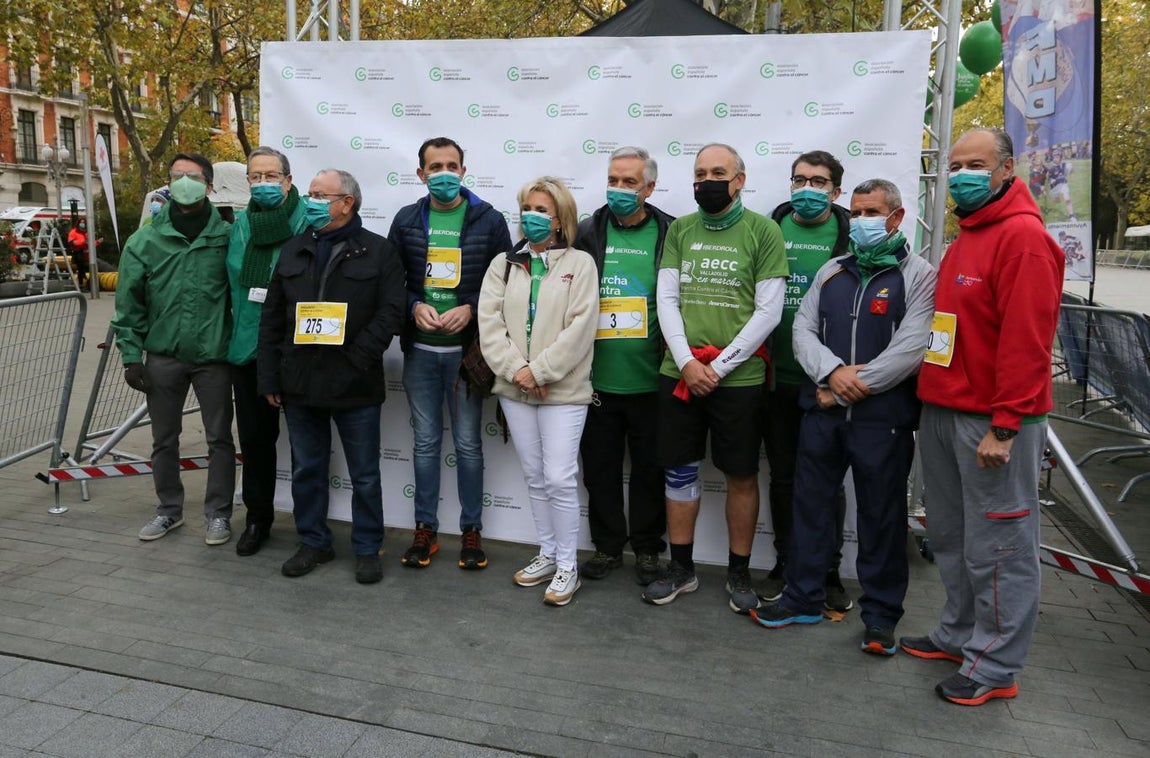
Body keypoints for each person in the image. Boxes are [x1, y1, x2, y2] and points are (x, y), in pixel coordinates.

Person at [903, 128, 1063, 706]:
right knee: (951, 533)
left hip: (992, 423)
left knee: (1000, 544)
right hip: (944, 409)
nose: (963, 174)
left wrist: (1006, 425)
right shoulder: (967, 235)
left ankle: (995, 666)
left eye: (976, 164)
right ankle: (959, 633)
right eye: (955, 165)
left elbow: (1028, 342)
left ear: (1005, 169)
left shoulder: (1023, 239)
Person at [751, 179, 937, 657]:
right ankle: (802, 597)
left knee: (881, 519)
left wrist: (854, 388)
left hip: (884, 419)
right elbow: (803, 331)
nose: (861, 221)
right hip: (823, 414)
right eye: (855, 212)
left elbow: (912, 346)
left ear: (896, 218)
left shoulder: (919, 275)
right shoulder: (832, 270)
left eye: (872, 211)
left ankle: (880, 618)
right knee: (810, 508)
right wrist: (832, 375)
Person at [643, 143, 789, 613]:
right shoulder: (681, 229)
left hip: (739, 380)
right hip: (680, 374)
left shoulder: (763, 231)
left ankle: (739, 572)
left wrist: (719, 367)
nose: (707, 180)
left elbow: (769, 312)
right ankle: (682, 569)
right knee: (680, 471)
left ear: (740, 179)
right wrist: (687, 362)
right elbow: (666, 300)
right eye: (700, 172)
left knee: (742, 475)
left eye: (718, 172)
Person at [257, 169, 405, 584]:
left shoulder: (378, 251)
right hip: (300, 382)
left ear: (347, 203)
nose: (312, 201)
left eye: (322, 195)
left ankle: (367, 546)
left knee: (365, 473)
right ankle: (314, 542)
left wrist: (357, 356)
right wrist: (270, 378)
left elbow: (391, 311)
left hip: (355, 383)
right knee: (306, 468)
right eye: (310, 194)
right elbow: (272, 319)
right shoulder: (294, 249)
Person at [388, 137, 511, 571]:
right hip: (420, 353)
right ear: (421, 174)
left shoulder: (488, 219)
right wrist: (413, 306)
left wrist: (471, 308)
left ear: (464, 170)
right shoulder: (405, 221)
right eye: (434, 166)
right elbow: (393, 283)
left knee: (467, 444)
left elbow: (506, 286)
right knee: (424, 444)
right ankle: (425, 529)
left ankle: (471, 531)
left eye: (451, 165)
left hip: (466, 357)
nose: (444, 173)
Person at [477, 177, 598, 606]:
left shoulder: (580, 264)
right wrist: (518, 371)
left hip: (562, 390)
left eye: (542, 209)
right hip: (515, 388)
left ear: (561, 218)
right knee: (534, 476)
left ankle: (569, 565)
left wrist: (540, 372)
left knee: (559, 478)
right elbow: (489, 325)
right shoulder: (503, 264)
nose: (532, 215)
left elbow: (580, 328)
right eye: (527, 207)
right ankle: (547, 553)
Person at [112, 153, 236, 546]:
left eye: (193, 176)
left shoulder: (228, 237)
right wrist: (131, 356)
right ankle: (168, 510)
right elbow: (128, 304)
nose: (184, 181)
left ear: (210, 186)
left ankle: (218, 515)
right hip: (163, 358)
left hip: (214, 358)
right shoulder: (145, 240)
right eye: (177, 175)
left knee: (220, 439)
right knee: (164, 439)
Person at [573, 146, 674, 586]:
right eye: (613, 180)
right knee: (600, 471)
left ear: (649, 188)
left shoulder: (671, 232)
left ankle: (649, 549)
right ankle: (608, 546)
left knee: (651, 471)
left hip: (653, 379)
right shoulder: (588, 230)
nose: (618, 189)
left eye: (629, 182)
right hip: (595, 379)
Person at [760, 149, 853, 611]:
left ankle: (828, 569)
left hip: (827, 383)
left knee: (826, 481)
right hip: (776, 377)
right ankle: (787, 560)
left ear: (836, 191)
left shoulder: (855, 234)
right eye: (800, 180)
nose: (807, 189)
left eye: (819, 182)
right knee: (783, 478)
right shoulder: (769, 229)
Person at [226, 146, 308, 557]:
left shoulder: (310, 218)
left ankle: (312, 527)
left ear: (288, 180)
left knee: (309, 445)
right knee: (256, 443)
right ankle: (258, 519)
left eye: (271, 176)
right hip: (249, 351)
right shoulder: (240, 226)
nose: (263, 184)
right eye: (255, 177)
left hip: (299, 350)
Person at [1046, 148, 1075, 221]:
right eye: (1055, 157)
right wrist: (1051, 180)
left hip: (1063, 184)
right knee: (1057, 201)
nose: (1056, 158)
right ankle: (1051, 207)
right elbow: (1047, 178)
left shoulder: (1064, 165)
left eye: (1058, 157)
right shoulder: (1051, 168)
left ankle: (1072, 216)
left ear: (1061, 157)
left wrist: (1072, 168)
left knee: (1067, 199)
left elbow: (1070, 172)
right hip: (1055, 187)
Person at [66, 218, 90, 287]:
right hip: (77, 252)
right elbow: (72, 242)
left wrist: (97, 242)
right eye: (81, 222)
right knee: (80, 267)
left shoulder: (85, 233)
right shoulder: (73, 232)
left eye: (84, 222)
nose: (82, 224)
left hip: (84, 252)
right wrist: (82, 242)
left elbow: (89, 242)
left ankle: (83, 279)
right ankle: (81, 283)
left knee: (83, 267)